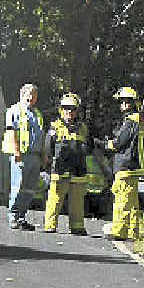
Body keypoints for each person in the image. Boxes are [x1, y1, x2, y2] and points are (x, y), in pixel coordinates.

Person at [99, 86, 144, 241]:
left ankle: (119, 231)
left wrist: (102, 144)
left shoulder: (130, 122)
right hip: (134, 167)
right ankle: (132, 231)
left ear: (133, 103)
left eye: (126, 102)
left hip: (126, 167)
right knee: (132, 202)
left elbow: (119, 143)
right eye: (121, 101)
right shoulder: (140, 120)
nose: (123, 104)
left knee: (122, 200)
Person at [43, 93, 91, 235]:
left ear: (77, 111)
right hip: (60, 169)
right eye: (65, 108)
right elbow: (47, 148)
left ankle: (77, 227)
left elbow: (89, 146)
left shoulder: (83, 128)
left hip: (78, 170)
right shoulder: (55, 127)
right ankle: (50, 225)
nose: (69, 112)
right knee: (55, 199)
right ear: (60, 109)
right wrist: (49, 166)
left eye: (72, 108)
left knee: (77, 201)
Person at [4, 83, 45, 230]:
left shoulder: (37, 114)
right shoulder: (14, 110)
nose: (31, 97)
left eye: (34, 95)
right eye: (28, 94)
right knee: (18, 187)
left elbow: (41, 136)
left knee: (29, 189)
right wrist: (16, 152)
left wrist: (43, 156)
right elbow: (11, 132)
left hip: (35, 156)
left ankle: (22, 217)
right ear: (22, 95)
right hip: (21, 155)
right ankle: (13, 216)